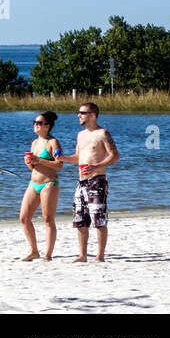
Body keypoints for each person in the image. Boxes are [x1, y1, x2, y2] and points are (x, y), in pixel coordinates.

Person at [57, 102, 119, 262]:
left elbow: (114, 156)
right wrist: (63, 158)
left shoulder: (102, 133)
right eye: (79, 112)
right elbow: (78, 157)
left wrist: (96, 166)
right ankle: (83, 255)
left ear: (92, 115)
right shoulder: (81, 135)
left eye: (82, 113)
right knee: (80, 220)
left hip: (97, 181)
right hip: (81, 182)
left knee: (98, 220)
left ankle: (100, 256)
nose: (78, 115)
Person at [19, 110, 63, 261]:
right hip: (33, 183)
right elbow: (34, 166)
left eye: (39, 123)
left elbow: (59, 164)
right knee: (24, 218)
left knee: (48, 219)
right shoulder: (34, 143)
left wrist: (40, 160)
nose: (35, 125)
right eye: (34, 123)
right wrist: (29, 163)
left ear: (47, 126)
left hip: (49, 183)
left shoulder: (52, 142)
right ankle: (34, 251)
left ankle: (48, 254)